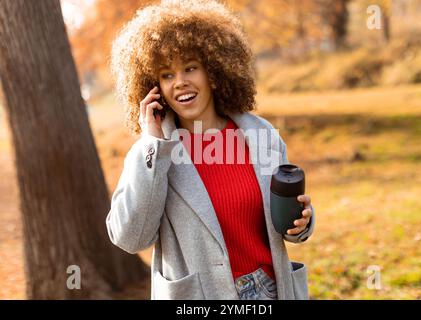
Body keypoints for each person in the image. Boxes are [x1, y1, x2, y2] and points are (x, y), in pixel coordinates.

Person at [107, 0, 315, 300]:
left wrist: (302, 223)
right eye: (167, 74)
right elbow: (130, 237)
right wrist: (153, 144)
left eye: (190, 68)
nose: (180, 82)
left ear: (214, 71)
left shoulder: (260, 135)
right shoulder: (152, 154)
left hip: (272, 290)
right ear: (154, 87)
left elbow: (288, 220)